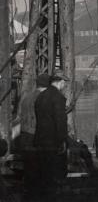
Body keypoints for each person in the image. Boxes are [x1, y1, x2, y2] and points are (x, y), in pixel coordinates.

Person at [34, 73, 69, 201]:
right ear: (59, 81)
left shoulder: (40, 97)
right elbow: (60, 122)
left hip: (40, 140)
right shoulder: (58, 97)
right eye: (64, 82)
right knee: (55, 175)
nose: (65, 85)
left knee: (44, 174)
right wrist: (62, 141)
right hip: (53, 143)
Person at [19, 73, 50, 201]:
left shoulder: (27, 97)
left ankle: (28, 195)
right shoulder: (43, 98)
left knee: (29, 170)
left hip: (25, 137)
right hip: (36, 138)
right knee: (40, 171)